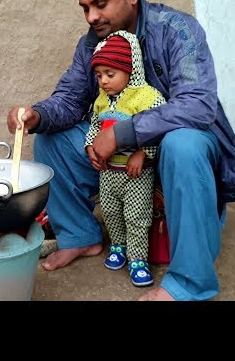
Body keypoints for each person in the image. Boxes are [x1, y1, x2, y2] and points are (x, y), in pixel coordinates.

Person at [7, 0, 235, 301]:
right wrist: (36, 115)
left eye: (100, 4)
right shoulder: (92, 43)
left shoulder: (178, 30)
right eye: (85, 8)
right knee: (51, 139)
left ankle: (190, 283)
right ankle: (80, 236)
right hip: (122, 167)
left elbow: (198, 105)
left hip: (178, 163)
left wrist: (122, 133)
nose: (92, 16)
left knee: (184, 144)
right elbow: (70, 99)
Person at [85, 29, 166, 287]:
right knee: (110, 211)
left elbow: (158, 127)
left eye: (111, 74)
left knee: (136, 216)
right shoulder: (101, 101)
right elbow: (95, 127)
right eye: (99, 75)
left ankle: (138, 259)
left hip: (135, 176)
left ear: (130, 71)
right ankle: (118, 246)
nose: (104, 81)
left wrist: (143, 153)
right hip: (108, 173)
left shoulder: (146, 98)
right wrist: (90, 148)